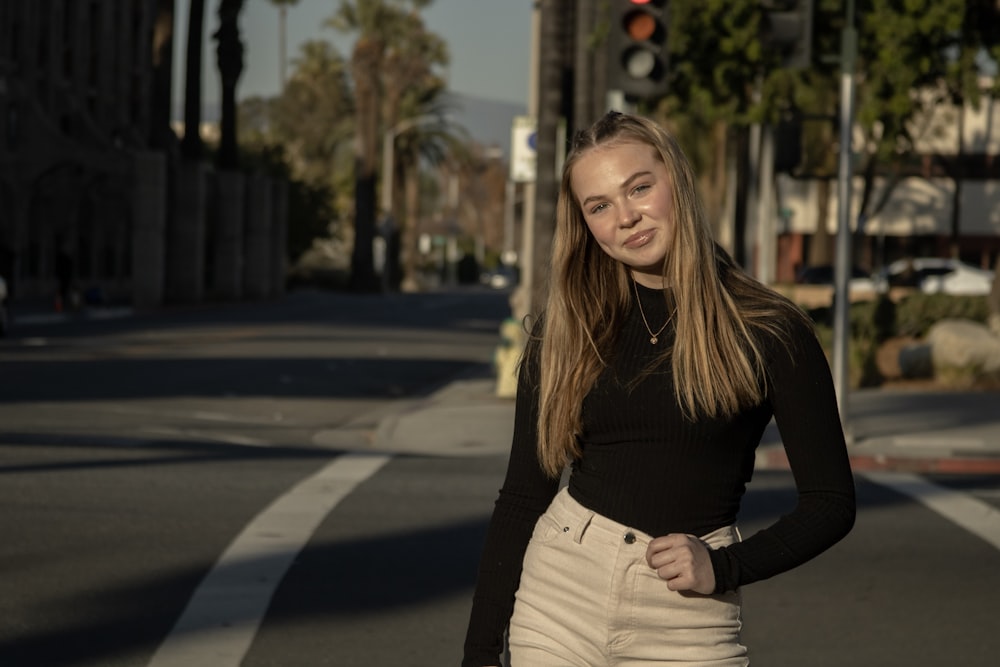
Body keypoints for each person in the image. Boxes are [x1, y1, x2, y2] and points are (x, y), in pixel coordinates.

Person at [462, 111, 856, 667]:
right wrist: (479, 653)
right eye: (599, 206)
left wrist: (723, 567)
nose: (626, 217)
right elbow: (524, 494)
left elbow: (831, 503)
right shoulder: (567, 330)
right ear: (585, 225)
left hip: (688, 618)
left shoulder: (769, 329)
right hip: (559, 597)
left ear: (677, 181)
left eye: (639, 188)